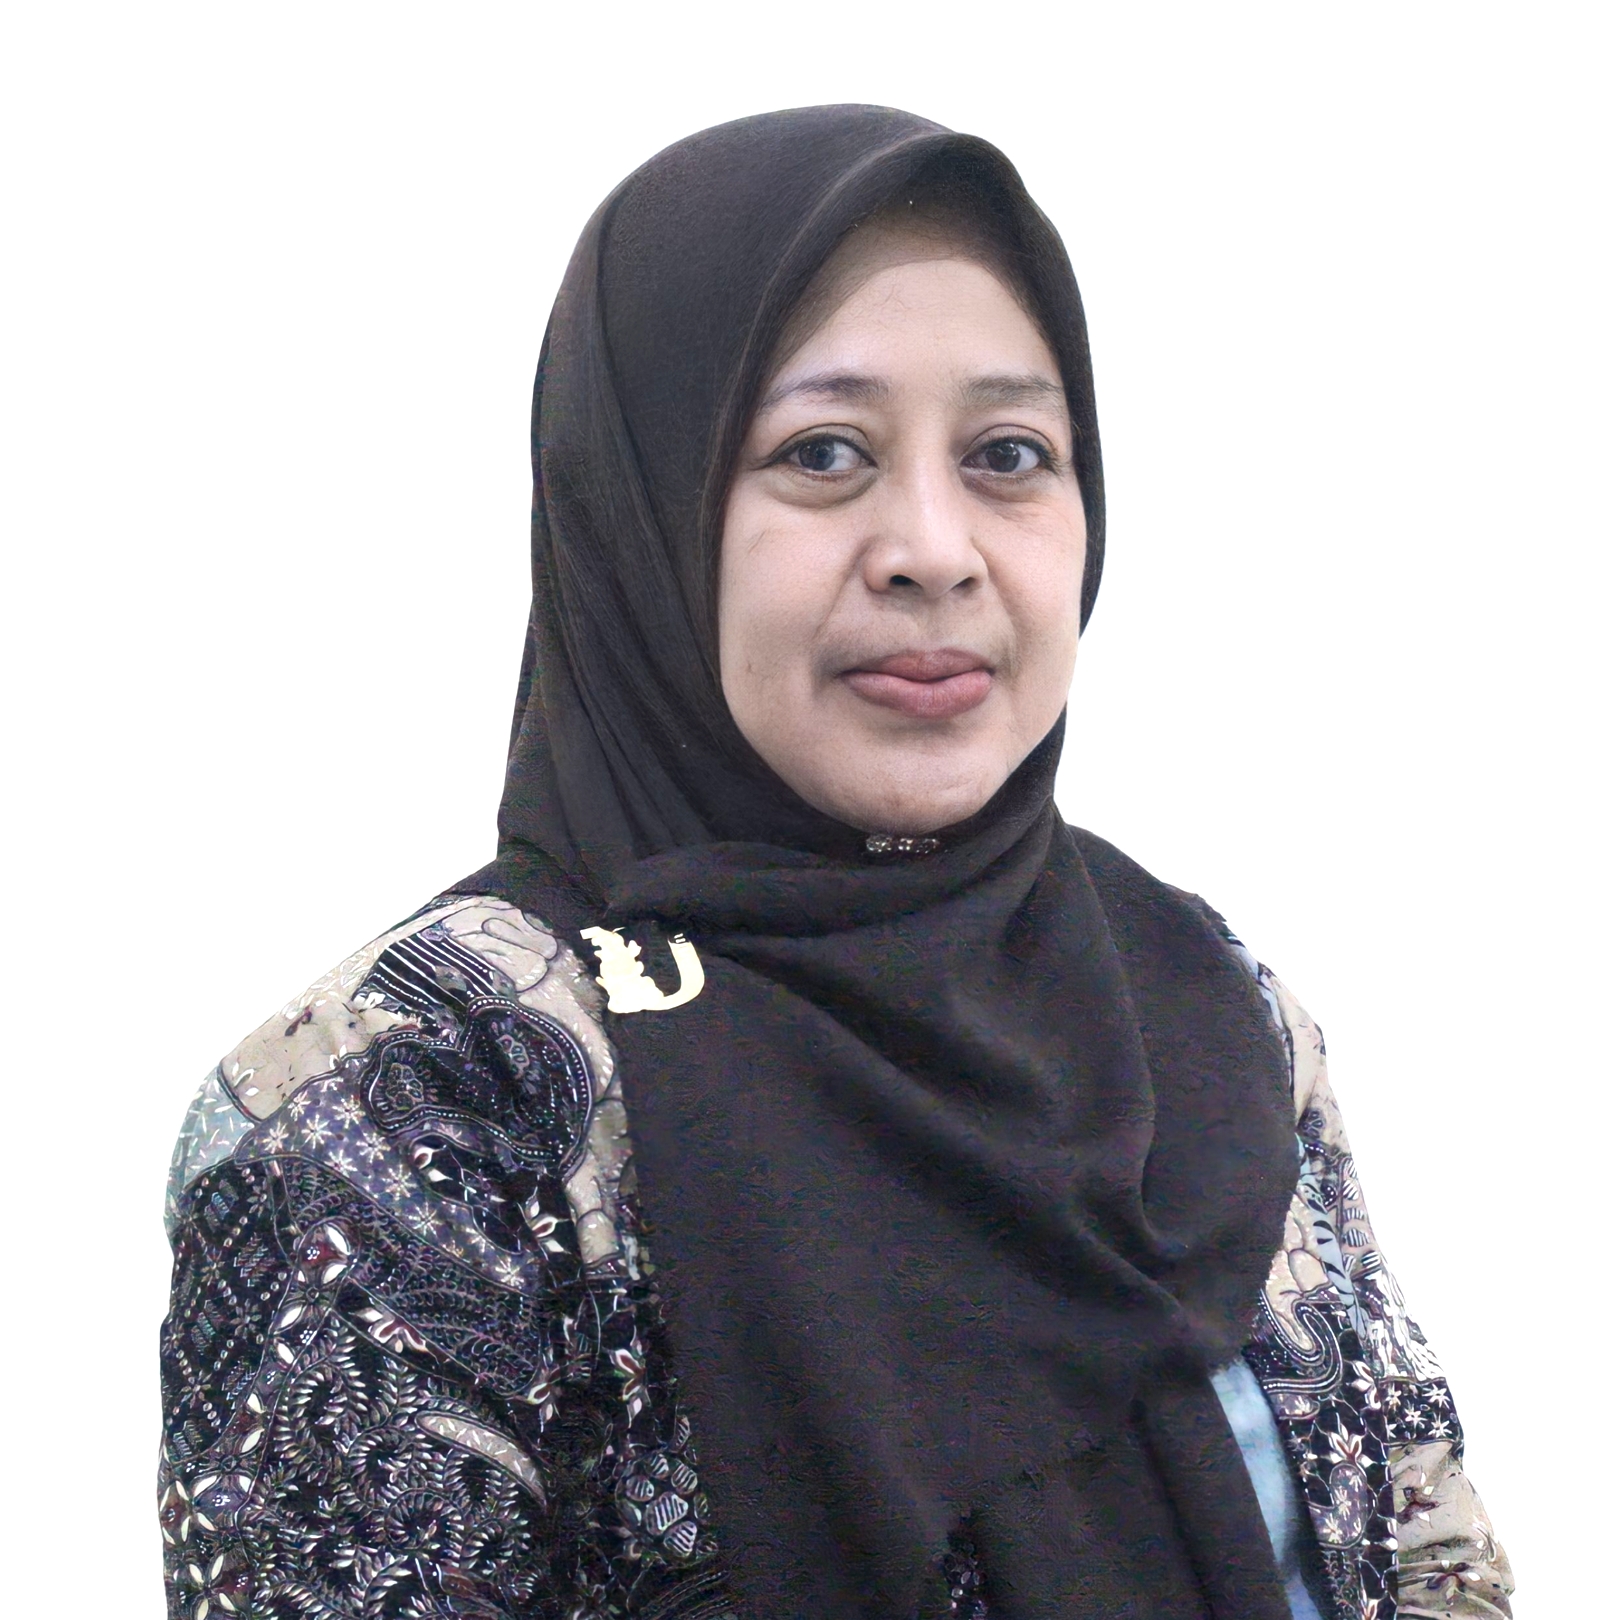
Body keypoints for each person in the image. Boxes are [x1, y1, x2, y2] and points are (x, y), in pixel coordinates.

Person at [156, 106, 1512, 1620]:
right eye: (821, 454)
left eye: (1008, 455)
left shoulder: (1209, 1011)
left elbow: (1430, 1564)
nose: (935, 546)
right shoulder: (412, 1104)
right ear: (641, 511)